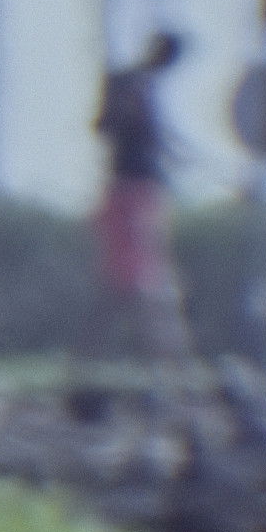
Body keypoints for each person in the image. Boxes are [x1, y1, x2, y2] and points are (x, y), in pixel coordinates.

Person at [90, 30, 190, 357]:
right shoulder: (127, 83)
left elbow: (156, 137)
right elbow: (104, 126)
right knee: (137, 280)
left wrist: (178, 153)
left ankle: (163, 360)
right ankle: (159, 359)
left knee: (142, 278)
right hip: (130, 187)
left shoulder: (143, 86)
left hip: (141, 187)